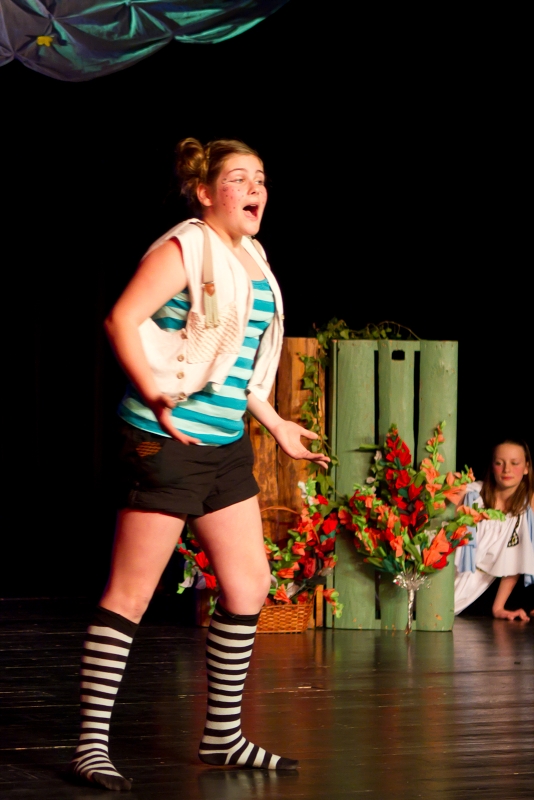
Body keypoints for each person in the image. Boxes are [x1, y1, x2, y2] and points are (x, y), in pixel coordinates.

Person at [68, 138, 329, 791]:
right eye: (239, 178)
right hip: (164, 441)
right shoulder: (185, 247)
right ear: (205, 192)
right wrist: (154, 393)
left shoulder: (252, 259)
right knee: (130, 594)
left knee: (249, 586)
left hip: (224, 445)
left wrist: (275, 424)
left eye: (261, 178)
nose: (256, 188)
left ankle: (223, 736)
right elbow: (121, 319)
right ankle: (90, 745)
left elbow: (233, 365)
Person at [454, 439, 534, 620]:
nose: (506, 470)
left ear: (526, 468)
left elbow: (515, 559)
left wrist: (498, 607)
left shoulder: (526, 508)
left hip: (473, 587)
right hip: (443, 572)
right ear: (491, 466)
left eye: (514, 463)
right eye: (499, 463)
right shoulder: (472, 495)